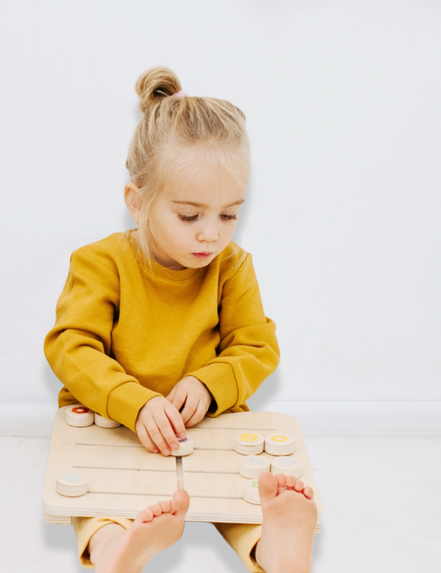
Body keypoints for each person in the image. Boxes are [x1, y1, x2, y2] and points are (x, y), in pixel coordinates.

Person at [44, 67, 316, 573]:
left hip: (206, 423)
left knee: (244, 498)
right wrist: (134, 401)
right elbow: (70, 347)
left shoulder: (233, 266)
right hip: (114, 423)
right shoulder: (99, 262)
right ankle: (114, 553)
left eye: (229, 214)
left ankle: (272, 548)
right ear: (137, 202)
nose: (211, 235)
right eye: (190, 216)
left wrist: (210, 385)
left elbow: (257, 348)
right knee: (99, 501)